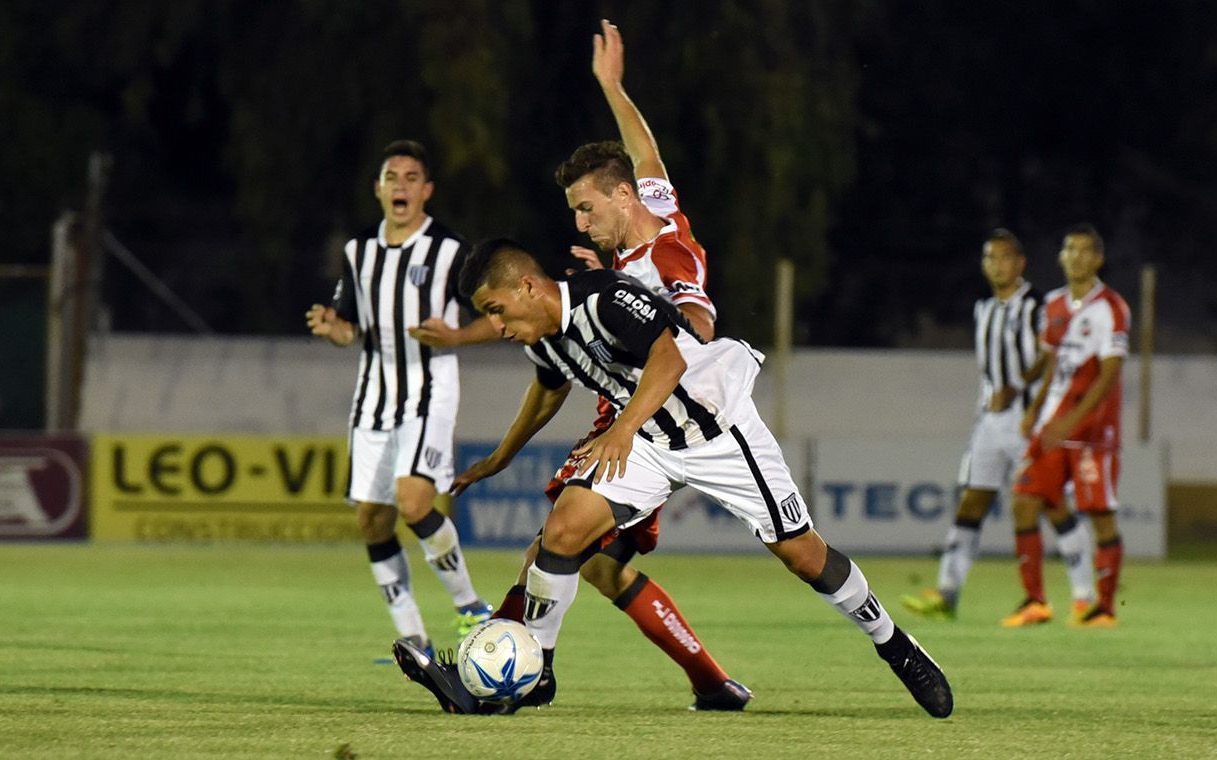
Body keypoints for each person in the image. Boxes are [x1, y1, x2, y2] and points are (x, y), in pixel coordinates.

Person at [393, 239, 954, 719]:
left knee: (804, 556)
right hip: (649, 441)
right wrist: (501, 456)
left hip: (716, 430)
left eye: (497, 310)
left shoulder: (605, 297)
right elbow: (548, 389)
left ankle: (894, 645)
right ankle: (537, 671)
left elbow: (670, 361)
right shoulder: (542, 336)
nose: (495, 327)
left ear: (528, 286)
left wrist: (620, 429)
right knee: (561, 534)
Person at [409, 20, 748, 711]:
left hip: (649, 418)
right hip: (631, 411)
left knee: (555, 545)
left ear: (618, 200)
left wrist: (640, 322)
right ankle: (713, 684)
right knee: (598, 568)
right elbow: (645, 153)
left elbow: (694, 326)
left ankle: (504, 677)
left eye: (586, 209)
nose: (581, 223)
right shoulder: (653, 211)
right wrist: (612, 86)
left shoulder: (666, 259)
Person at [306, 140, 491, 657]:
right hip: (373, 397)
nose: (401, 186)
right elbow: (350, 328)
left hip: (429, 391)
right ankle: (413, 634)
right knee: (372, 519)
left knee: (413, 501)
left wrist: (457, 336)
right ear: (379, 189)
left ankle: (470, 607)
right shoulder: (358, 252)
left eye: (411, 178)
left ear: (426, 190)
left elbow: (498, 316)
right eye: (392, 177)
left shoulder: (451, 251)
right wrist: (334, 330)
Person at [901, 229, 1095, 622]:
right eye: (990, 258)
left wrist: (1020, 388)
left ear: (1020, 263)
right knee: (972, 500)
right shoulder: (984, 309)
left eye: (1004, 257)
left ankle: (1085, 595)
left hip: (1030, 419)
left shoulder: (1038, 305)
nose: (997, 265)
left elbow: (1052, 354)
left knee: (1050, 502)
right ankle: (947, 594)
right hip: (990, 423)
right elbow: (990, 371)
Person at [1002, 224, 1130, 628]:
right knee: (1024, 502)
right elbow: (1055, 367)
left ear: (1098, 259)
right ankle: (1035, 602)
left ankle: (1103, 609)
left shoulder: (1111, 308)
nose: (1076, 257)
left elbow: (1109, 375)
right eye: (1069, 249)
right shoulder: (1054, 305)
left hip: (1092, 433)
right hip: (1052, 429)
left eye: (1084, 250)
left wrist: (1073, 421)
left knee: (1100, 515)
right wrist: (1035, 409)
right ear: (1061, 257)